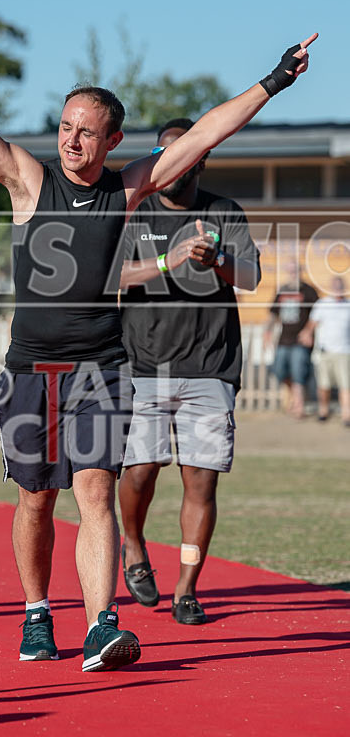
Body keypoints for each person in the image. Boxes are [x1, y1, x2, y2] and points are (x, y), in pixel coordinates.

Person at [0, 0, 316, 670]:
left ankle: (102, 624)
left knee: (95, 490)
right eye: (66, 126)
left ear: (113, 143)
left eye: (86, 131)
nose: (71, 139)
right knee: (36, 499)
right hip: (30, 368)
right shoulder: (27, 180)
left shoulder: (126, 190)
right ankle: (37, 613)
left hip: (102, 366)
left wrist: (274, 79)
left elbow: (207, 133)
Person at [118, 118, 261, 622]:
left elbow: (251, 277)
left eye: (181, 153)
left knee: (201, 482)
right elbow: (110, 275)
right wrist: (168, 260)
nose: (169, 162)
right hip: (144, 365)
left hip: (211, 367)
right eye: (160, 154)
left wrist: (217, 257)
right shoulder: (135, 211)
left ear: (201, 158)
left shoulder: (224, 212)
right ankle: (132, 544)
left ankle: (186, 587)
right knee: (140, 470)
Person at [264, 261, 318, 418]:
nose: (293, 274)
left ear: (300, 272)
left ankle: (298, 407)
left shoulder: (309, 291)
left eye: (295, 271)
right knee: (279, 371)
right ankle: (295, 397)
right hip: (283, 340)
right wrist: (267, 331)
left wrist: (308, 332)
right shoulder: (282, 290)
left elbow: (317, 314)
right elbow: (273, 313)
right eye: (290, 271)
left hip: (300, 341)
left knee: (298, 372)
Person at [303, 277, 350, 426]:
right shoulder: (322, 304)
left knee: (346, 385)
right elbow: (312, 324)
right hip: (325, 351)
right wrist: (307, 334)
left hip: (344, 351)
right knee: (324, 385)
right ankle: (323, 411)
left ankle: (346, 415)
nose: (337, 289)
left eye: (340, 287)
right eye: (335, 286)